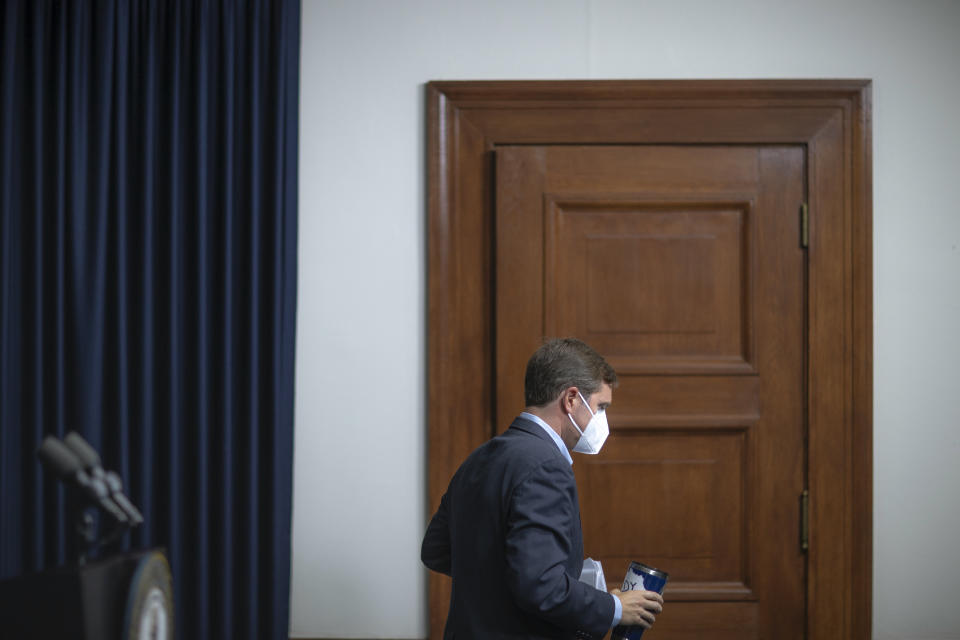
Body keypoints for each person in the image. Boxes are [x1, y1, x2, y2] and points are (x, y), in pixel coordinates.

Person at [421, 338, 664, 639]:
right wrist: (613, 607)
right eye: (601, 407)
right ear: (572, 399)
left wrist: (502, 585)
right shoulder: (546, 466)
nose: (603, 420)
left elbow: (435, 551)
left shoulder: (480, 457)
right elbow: (540, 585)